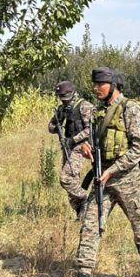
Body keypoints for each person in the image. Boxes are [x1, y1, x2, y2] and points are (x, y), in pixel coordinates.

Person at [53, 67, 140, 277]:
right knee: (90, 225)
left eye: (101, 84)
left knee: (138, 224)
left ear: (113, 84)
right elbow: (94, 137)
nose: (96, 88)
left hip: (127, 179)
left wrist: (113, 169)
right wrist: (89, 147)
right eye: (95, 84)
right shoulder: (99, 111)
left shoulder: (130, 108)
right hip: (103, 178)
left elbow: (138, 148)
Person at [48, 81, 94, 214]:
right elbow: (50, 127)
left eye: (63, 96)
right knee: (72, 182)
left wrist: (73, 140)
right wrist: (56, 125)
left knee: (66, 178)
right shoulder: (63, 108)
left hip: (81, 146)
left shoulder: (84, 106)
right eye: (60, 96)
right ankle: (81, 212)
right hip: (67, 146)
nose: (62, 99)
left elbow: (90, 129)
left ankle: (85, 198)